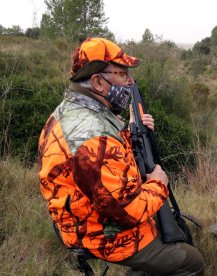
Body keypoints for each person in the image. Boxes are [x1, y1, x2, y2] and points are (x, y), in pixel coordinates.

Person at [38, 37, 204, 275]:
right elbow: (126, 212)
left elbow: (103, 163)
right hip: (101, 232)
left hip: (88, 217)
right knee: (190, 261)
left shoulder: (72, 111)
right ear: (98, 81)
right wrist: (159, 183)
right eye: (123, 74)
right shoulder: (91, 134)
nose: (130, 82)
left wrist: (132, 133)